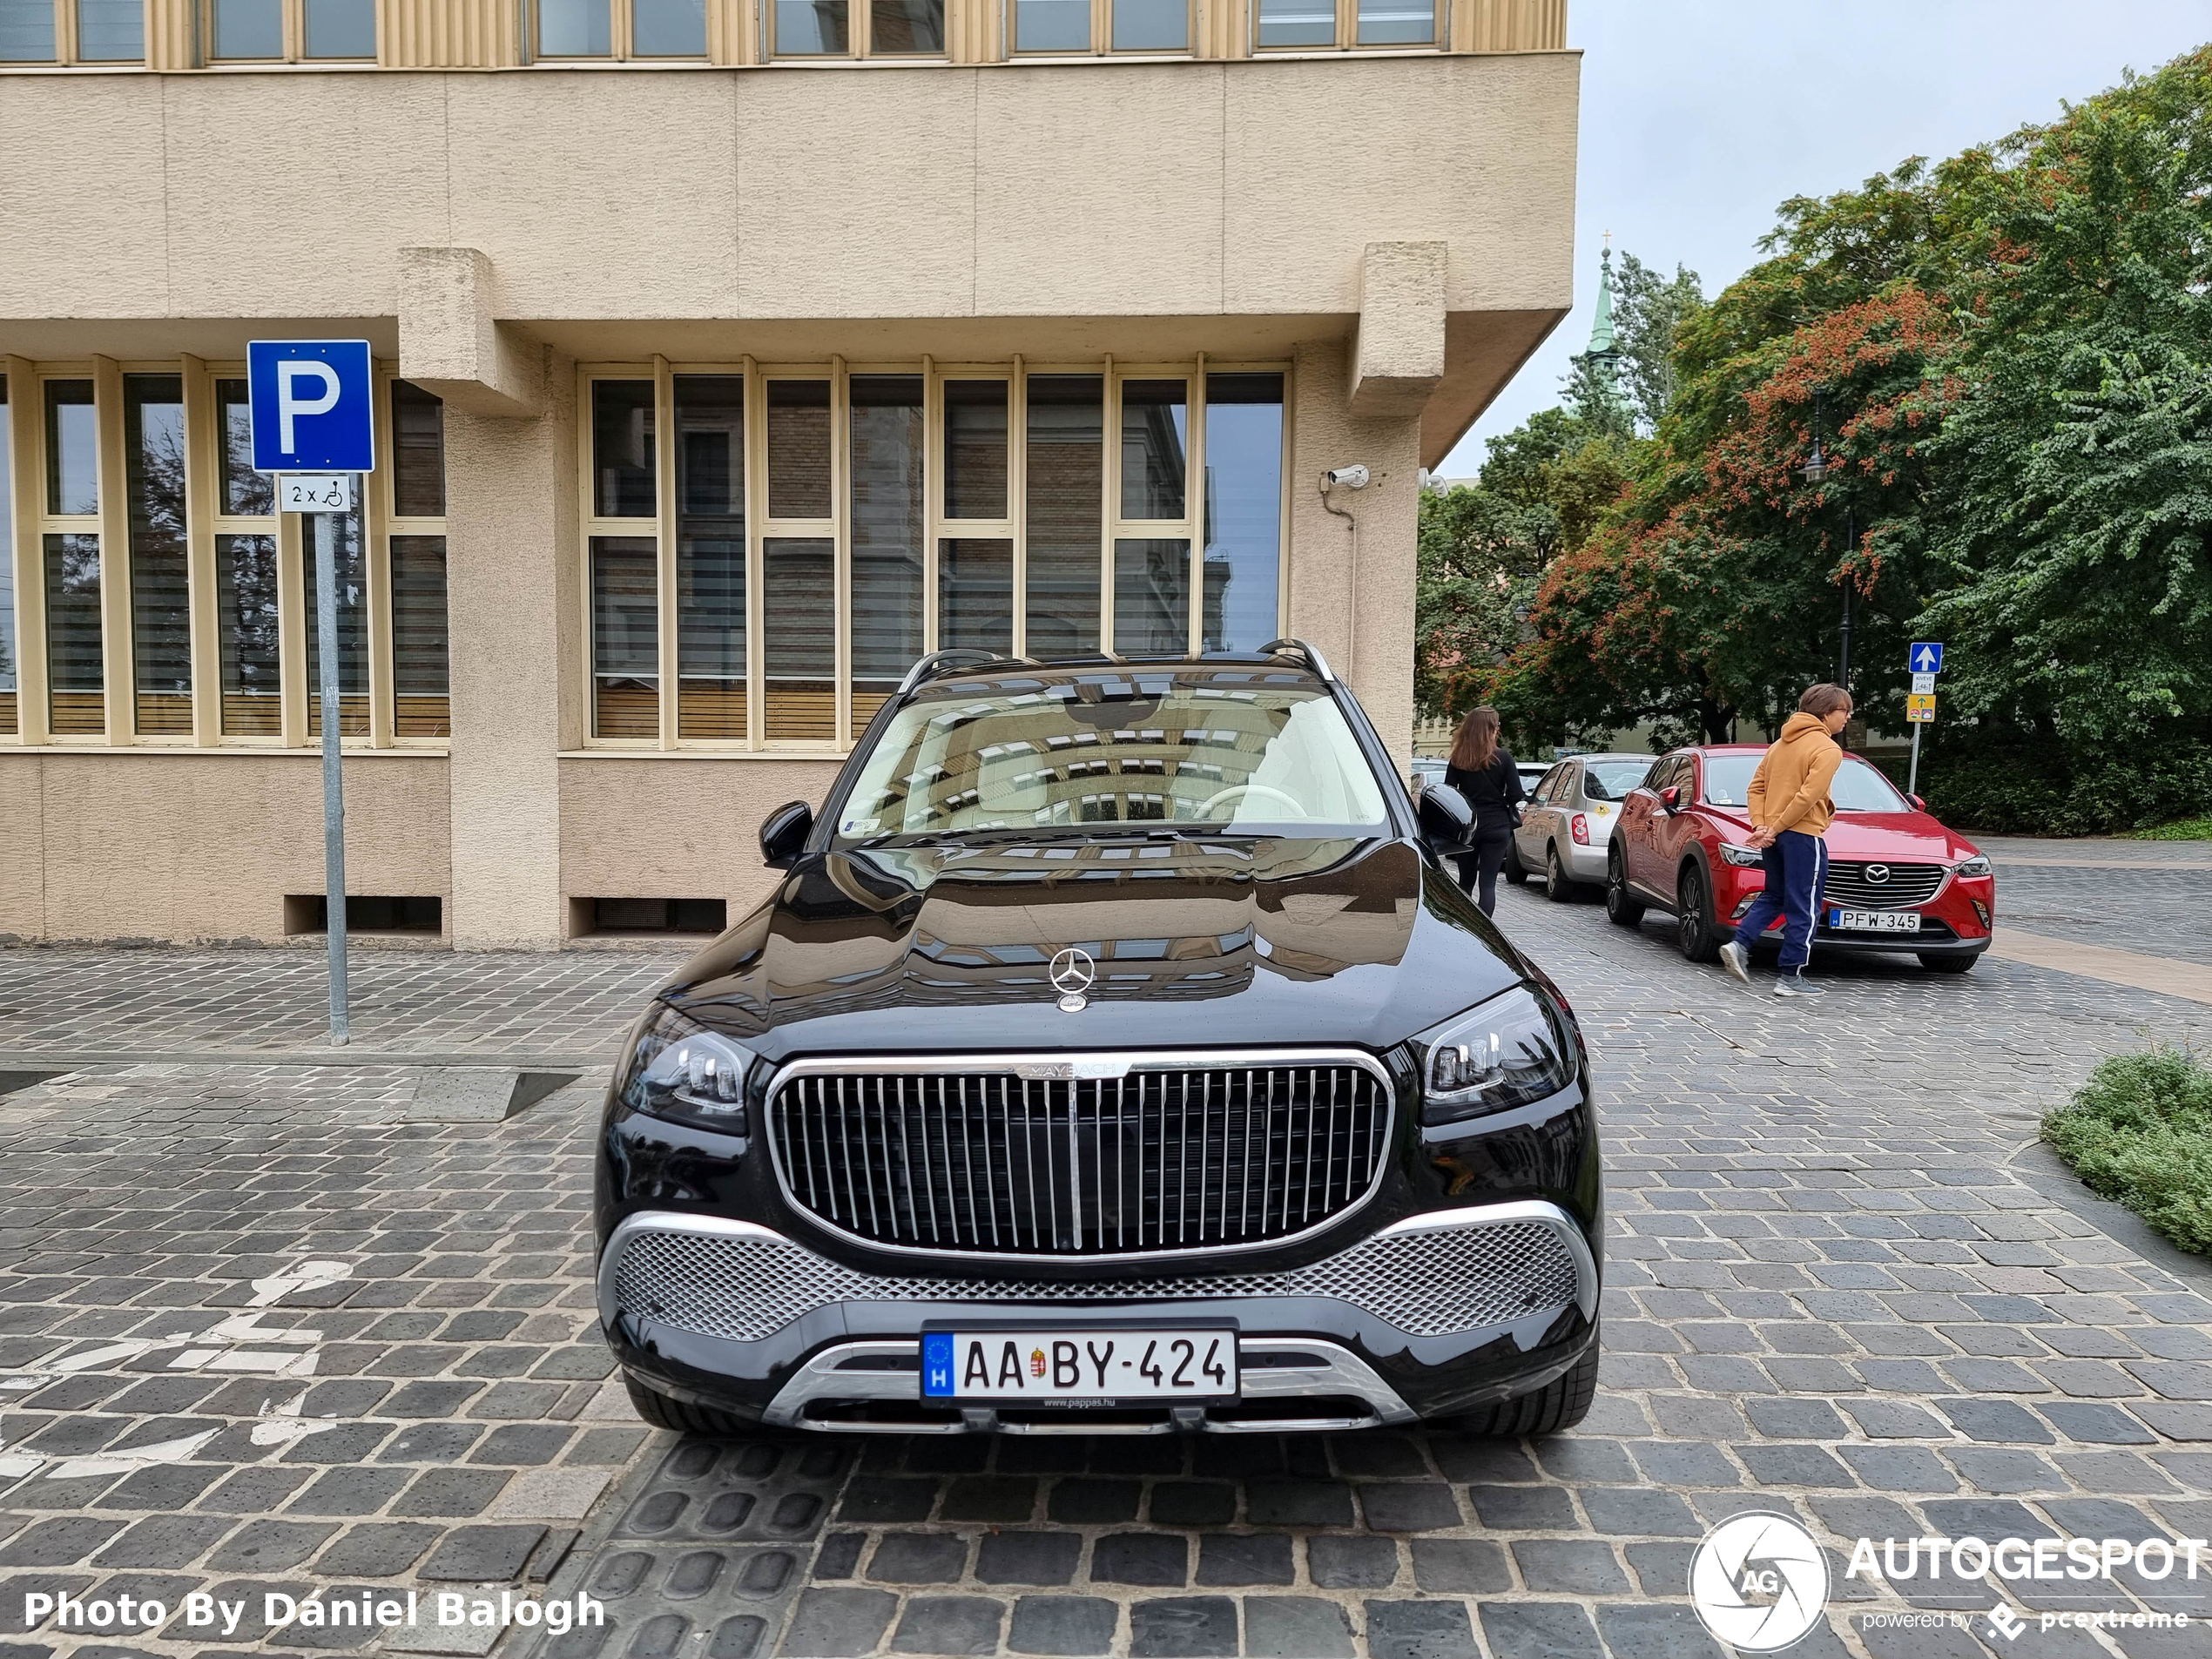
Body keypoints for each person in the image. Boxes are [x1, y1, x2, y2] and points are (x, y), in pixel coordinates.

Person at [1719, 684, 1852, 997]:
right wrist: (1775, 828)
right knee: (1805, 905)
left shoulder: (1780, 744)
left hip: (1774, 837)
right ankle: (1791, 976)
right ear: (1825, 713)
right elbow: (1808, 796)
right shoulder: (1828, 749)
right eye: (1844, 711)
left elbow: (1756, 788)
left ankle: (1739, 944)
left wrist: (1763, 826)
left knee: (1775, 895)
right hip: (1803, 835)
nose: (1847, 717)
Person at [1443, 706, 1526, 917]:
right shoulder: (1503, 758)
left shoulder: (1458, 759)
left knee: (1465, 881)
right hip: (1497, 826)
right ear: (1491, 728)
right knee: (1487, 884)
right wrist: (1502, 802)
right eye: (1497, 725)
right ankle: (1485, 932)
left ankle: (1463, 925)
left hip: (1469, 826)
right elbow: (1517, 794)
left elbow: (1449, 792)